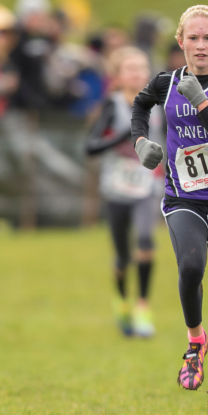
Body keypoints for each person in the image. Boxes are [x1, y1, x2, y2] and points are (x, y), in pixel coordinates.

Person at [131, 4, 208, 415]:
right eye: (193, 38)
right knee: (190, 265)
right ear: (180, 42)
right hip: (185, 197)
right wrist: (141, 141)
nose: (200, 46)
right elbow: (139, 106)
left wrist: (201, 103)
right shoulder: (166, 82)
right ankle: (194, 340)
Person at [86, 47, 163, 338]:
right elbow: (90, 147)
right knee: (122, 255)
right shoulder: (112, 105)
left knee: (145, 240)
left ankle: (143, 305)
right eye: (130, 68)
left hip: (147, 186)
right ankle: (122, 301)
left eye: (142, 67)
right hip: (116, 187)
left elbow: (169, 139)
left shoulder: (158, 104)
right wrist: (123, 135)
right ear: (117, 77)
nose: (137, 73)